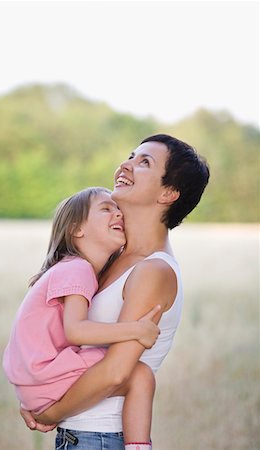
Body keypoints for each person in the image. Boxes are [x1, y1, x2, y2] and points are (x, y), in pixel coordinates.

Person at [20, 134, 210, 450]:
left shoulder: (154, 270)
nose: (125, 165)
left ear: (168, 193)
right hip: (77, 435)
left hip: (100, 438)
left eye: (144, 162)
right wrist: (36, 391)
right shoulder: (108, 257)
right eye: (131, 156)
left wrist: (48, 411)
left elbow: (116, 372)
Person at [3, 187, 161, 449]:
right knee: (140, 376)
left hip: (35, 381)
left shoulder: (72, 269)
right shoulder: (77, 269)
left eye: (118, 209)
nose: (118, 214)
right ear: (77, 229)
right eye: (106, 208)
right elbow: (76, 331)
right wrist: (136, 330)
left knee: (131, 374)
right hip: (44, 374)